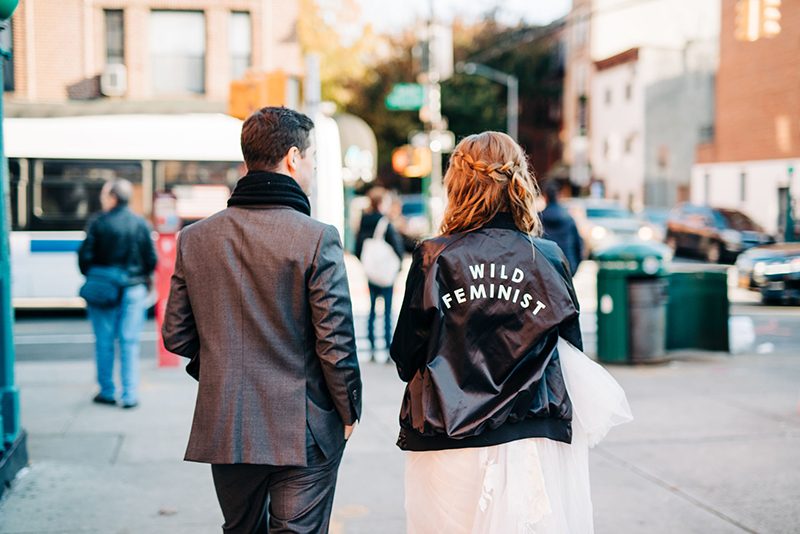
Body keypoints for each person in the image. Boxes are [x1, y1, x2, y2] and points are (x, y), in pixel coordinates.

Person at [391, 131, 632, 533]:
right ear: (519, 181)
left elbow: (405, 357)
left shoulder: (435, 257)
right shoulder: (548, 258)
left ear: (457, 184)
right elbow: (571, 353)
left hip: (448, 439)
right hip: (529, 442)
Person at [162, 106, 362, 534]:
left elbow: (176, 334)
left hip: (228, 421)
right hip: (302, 426)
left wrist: (223, 366)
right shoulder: (316, 237)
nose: (310, 169)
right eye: (311, 160)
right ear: (293, 158)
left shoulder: (195, 239)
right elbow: (336, 343)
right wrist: (349, 410)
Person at [78, 178, 156, 409]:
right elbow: (150, 259)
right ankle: (130, 395)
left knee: (104, 341)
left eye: (104, 195)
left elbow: (84, 258)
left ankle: (107, 391)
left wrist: (98, 275)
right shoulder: (140, 223)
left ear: (112, 197)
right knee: (129, 342)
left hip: (103, 290)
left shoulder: (97, 223)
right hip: (134, 288)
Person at [355, 187, 405, 361]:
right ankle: (387, 346)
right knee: (387, 311)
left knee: (371, 310)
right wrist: (398, 265)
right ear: (381, 203)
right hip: (385, 274)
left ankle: (371, 347)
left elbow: (357, 247)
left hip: (371, 272)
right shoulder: (384, 223)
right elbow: (397, 247)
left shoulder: (363, 221)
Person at [541, 181, 584, 276]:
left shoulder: (539, 219)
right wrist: (573, 267)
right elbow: (579, 245)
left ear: (545, 197)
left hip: (545, 267)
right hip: (566, 266)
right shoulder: (568, 219)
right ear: (558, 196)